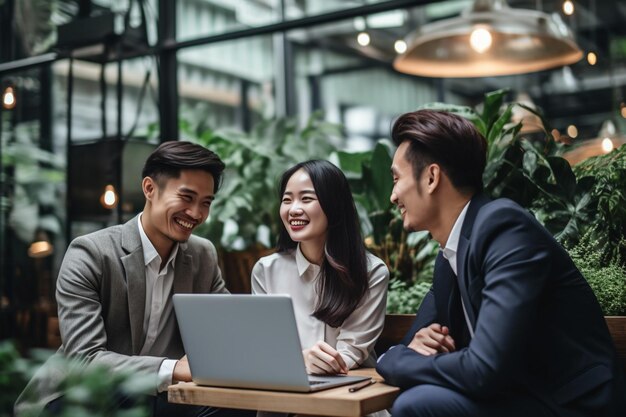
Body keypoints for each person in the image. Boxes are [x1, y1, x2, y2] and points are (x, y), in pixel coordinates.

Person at [376, 109, 626, 417]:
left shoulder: (503, 228)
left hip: (570, 404)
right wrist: (406, 351)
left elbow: (484, 369)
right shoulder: (450, 257)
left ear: (431, 177)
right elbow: (408, 347)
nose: (392, 196)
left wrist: (393, 360)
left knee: (417, 404)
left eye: (396, 178)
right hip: (516, 395)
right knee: (417, 397)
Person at [15, 141, 249, 417]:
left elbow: (227, 336)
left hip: (165, 397)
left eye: (205, 203)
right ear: (150, 188)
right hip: (84, 393)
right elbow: (85, 359)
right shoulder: (91, 253)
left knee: (244, 405)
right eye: (186, 198)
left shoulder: (202, 256)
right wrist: (173, 369)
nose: (196, 214)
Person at [251, 160, 389, 374]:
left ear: (333, 205)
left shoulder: (371, 272)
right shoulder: (266, 270)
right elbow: (264, 348)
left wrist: (298, 361)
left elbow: (350, 353)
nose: (294, 209)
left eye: (306, 199)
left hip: (348, 393)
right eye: (287, 200)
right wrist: (300, 360)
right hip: (283, 396)